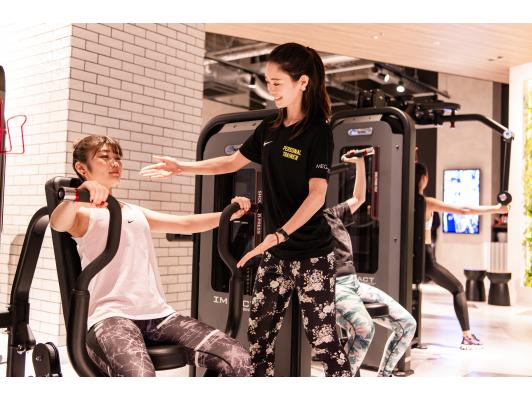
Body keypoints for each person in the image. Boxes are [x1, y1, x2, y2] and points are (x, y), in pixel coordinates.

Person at [140, 42, 352, 377]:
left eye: (277, 82)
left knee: (324, 342)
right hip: (275, 254)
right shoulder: (269, 128)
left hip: (312, 254)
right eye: (267, 82)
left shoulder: (318, 132)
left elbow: (316, 196)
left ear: (303, 82)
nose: (271, 89)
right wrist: (182, 167)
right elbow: (230, 162)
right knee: (258, 338)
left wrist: (279, 234)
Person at [50, 135, 253, 377]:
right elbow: (58, 223)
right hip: (111, 317)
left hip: (159, 315)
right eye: (104, 157)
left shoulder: (133, 211)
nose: (114, 163)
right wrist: (79, 194)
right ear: (82, 168)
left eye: (117, 158)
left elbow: (186, 224)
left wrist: (230, 213)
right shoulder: (83, 213)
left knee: (239, 359)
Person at [325, 149, 416, 376]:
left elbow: (360, 197)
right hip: (333, 286)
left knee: (407, 324)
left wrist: (360, 162)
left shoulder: (332, 213)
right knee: (365, 329)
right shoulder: (302, 222)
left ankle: (383, 378)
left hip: (353, 283)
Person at [415, 162, 510, 349]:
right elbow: (465, 210)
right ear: (424, 179)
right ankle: (467, 336)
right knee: (458, 288)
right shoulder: (426, 202)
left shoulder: (406, 201)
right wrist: (497, 209)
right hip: (426, 260)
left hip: (412, 257)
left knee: (413, 292)